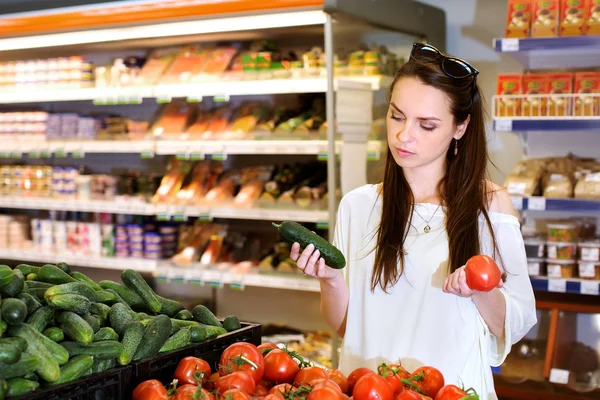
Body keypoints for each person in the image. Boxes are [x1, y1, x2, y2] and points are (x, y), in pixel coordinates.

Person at [290, 43, 537, 399]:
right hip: (367, 388)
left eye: (427, 125)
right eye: (397, 116)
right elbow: (345, 326)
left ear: (460, 127)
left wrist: (480, 290)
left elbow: (511, 324)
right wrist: (329, 280)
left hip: (452, 391)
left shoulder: (489, 206)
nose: (405, 135)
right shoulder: (357, 206)